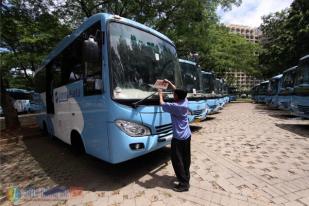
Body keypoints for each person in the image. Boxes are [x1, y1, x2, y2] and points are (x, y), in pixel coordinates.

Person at [158, 79, 192, 192]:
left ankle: (183, 184)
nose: (173, 94)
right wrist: (170, 83)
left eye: (174, 94)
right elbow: (177, 90)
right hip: (187, 136)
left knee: (177, 160)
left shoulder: (175, 106)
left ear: (177, 97)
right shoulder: (185, 101)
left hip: (178, 138)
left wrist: (160, 93)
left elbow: (162, 104)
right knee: (186, 158)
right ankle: (186, 177)